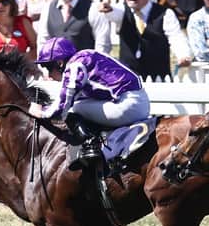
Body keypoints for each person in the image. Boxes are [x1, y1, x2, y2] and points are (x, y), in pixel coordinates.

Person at [28, 37, 150, 166]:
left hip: (128, 105)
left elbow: (63, 106)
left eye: (48, 67)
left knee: (74, 109)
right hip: (135, 101)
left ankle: (90, 147)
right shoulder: (85, 56)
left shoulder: (75, 66)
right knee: (80, 105)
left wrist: (41, 113)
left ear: (59, 63)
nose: (48, 74)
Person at [100, 0, 192, 80]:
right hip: (128, 79)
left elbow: (176, 37)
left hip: (158, 79)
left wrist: (183, 55)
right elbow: (114, 12)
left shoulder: (165, 14)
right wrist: (108, 9)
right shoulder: (122, 11)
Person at [37, 0, 111, 55]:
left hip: (85, 66)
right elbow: (43, 42)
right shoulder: (48, 9)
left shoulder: (93, 8)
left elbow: (102, 45)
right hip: (55, 68)